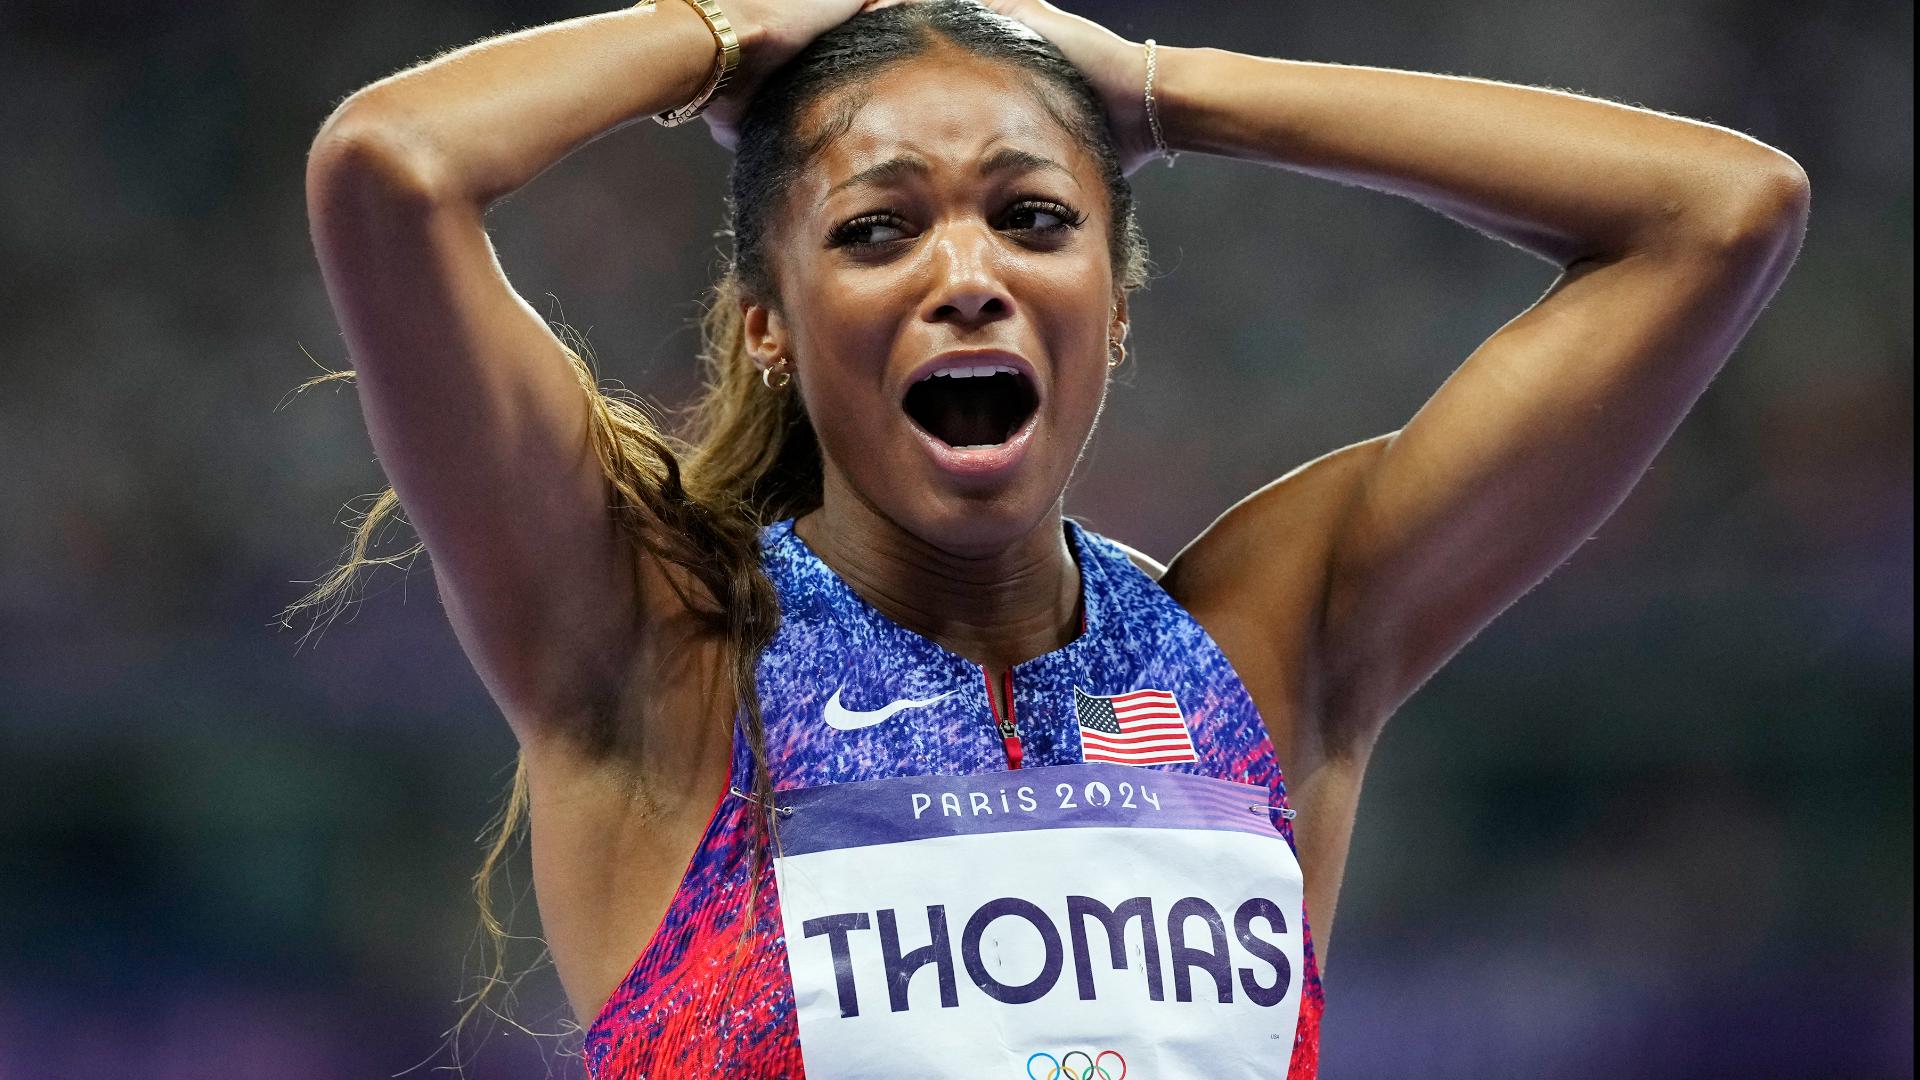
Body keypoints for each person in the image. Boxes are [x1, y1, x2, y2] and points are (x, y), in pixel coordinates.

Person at [297, 0, 1808, 1074]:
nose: (967, 273)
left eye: (1033, 216)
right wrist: (722, 33)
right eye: (878, 228)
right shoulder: (663, 656)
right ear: (767, 327)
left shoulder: (1264, 651)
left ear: (1119, 303)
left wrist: (1163, 90)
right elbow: (393, 169)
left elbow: (1721, 213)